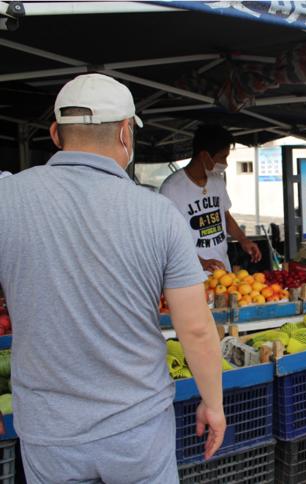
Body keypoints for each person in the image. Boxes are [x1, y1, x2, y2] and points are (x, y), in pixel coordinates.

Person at [0, 73, 226, 482]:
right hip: (137, 427)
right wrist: (213, 403)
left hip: (48, 432)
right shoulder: (158, 214)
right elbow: (194, 328)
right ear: (126, 132)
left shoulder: (6, 198)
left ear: (55, 132)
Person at [160, 124, 261, 273]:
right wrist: (201, 262)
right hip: (190, 274)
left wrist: (243, 240)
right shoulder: (171, 188)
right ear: (204, 156)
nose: (225, 163)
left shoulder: (217, 180)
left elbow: (225, 217)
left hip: (223, 272)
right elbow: (168, 239)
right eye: (222, 157)